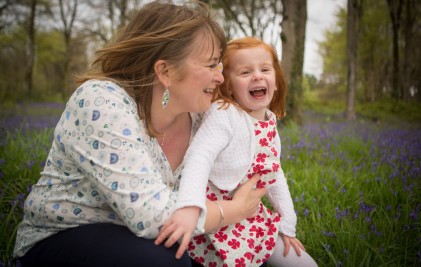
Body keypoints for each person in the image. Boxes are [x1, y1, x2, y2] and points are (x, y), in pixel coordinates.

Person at [13, 2, 267, 267]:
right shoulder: (100, 101)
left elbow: (246, 172)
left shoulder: (202, 118)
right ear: (165, 71)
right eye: (212, 65)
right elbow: (152, 215)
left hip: (148, 238)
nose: (220, 78)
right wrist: (233, 211)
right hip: (65, 236)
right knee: (166, 261)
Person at [156, 37, 318, 266]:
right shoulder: (225, 114)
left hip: (251, 215)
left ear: (277, 81)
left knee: (306, 264)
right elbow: (199, 156)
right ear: (229, 85)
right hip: (216, 216)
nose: (257, 76)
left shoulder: (269, 122)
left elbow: (273, 173)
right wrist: (191, 205)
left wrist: (288, 225)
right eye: (245, 72)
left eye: (265, 69)